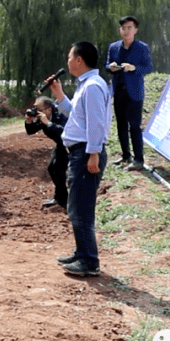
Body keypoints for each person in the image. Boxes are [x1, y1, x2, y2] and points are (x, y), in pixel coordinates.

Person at [49, 41, 111, 277]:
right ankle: (81, 252)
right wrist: (58, 94)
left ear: (78, 60)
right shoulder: (88, 85)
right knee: (78, 206)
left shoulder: (93, 86)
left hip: (86, 153)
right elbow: (75, 115)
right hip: (80, 152)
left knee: (81, 208)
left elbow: (96, 123)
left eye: (69, 57)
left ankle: (89, 261)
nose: (67, 62)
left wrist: (93, 153)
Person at [107, 15, 153, 171]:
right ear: (120, 30)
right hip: (119, 91)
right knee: (120, 124)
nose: (126, 31)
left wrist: (134, 68)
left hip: (134, 92)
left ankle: (139, 159)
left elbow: (148, 67)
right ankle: (126, 155)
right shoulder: (114, 47)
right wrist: (111, 67)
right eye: (123, 28)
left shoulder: (142, 48)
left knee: (134, 126)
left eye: (129, 28)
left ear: (135, 30)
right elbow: (107, 65)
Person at [24, 96, 69, 209]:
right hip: (60, 145)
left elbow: (63, 132)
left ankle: (65, 199)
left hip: (71, 145)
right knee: (52, 168)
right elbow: (31, 131)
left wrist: (48, 123)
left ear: (49, 109)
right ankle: (60, 197)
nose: (36, 111)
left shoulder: (60, 115)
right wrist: (29, 121)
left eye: (38, 108)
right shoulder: (43, 116)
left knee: (59, 168)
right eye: (35, 107)